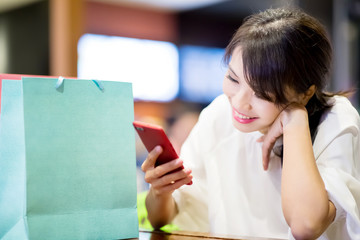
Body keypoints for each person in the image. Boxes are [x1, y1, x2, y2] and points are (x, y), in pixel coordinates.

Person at [141, 7, 360, 240]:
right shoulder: (219, 114)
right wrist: (159, 191)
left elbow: (305, 225)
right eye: (233, 79)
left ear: (305, 94)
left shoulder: (335, 118)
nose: (239, 102)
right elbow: (161, 219)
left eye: (263, 93)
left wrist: (294, 118)